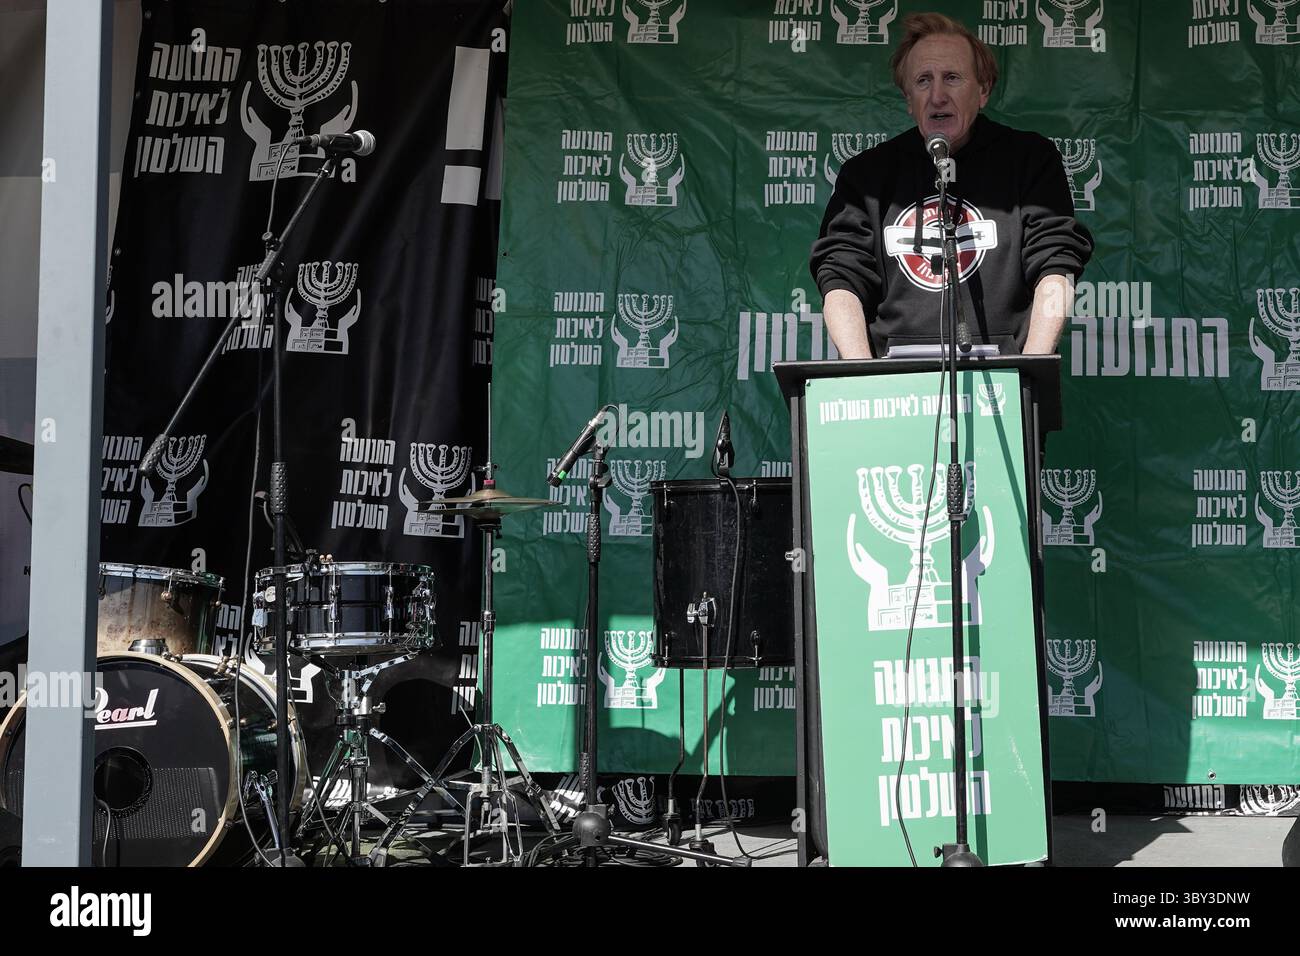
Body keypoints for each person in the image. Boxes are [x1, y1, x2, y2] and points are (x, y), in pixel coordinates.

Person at [809, 12, 1093, 360]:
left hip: (1004, 381)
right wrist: (863, 378)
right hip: (891, 389)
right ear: (907, 98)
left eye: (953, 78)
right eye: (923, 81)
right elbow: (840, 279)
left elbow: (1057, 267)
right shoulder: (866, 175)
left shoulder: (1030, 160)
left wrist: (1031, 369)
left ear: (983, 90)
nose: (937, 95)